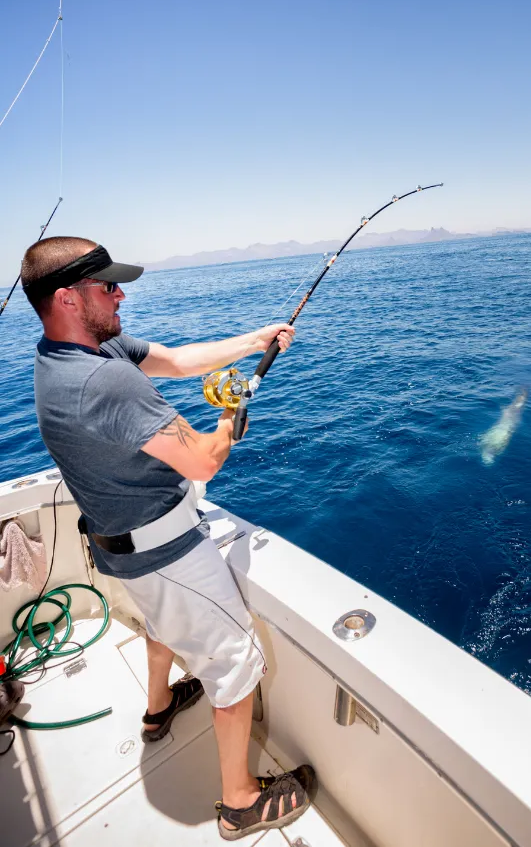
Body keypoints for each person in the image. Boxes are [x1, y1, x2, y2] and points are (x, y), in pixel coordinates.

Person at [20, 235, 314, 841]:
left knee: (160, 623)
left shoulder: (63, 354)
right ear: (69, 297)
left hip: (117, 547)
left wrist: (257, 340)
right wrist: (232, 411)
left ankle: (157, 711)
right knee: (236, 663)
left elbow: (178, 360)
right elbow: (204, 462)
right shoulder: (102, 382)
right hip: (165, 552)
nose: (121, 293)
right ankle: (239, 802)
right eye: (108, 286)